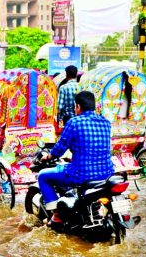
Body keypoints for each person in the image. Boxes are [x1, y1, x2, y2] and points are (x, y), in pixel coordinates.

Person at [37, 90, 115, 224]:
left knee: (43, 176)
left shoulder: (74, 122)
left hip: (81, 174)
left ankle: (57, 215)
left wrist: (48, 157)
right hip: (107, 174)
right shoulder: (106, 122)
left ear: (78, 107)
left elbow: (60, 148)